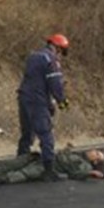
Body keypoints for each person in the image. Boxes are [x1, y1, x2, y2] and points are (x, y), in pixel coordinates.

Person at [17, 34, 71, 182]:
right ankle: (48, 170)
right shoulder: (51, 60)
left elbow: (35, 81)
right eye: (62, 51)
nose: (61, 55)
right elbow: (55, 84)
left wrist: (49, 103)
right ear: (58, 48)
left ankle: (19, 162)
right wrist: (62, 102)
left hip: (23, 97)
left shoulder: (33, 56)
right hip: (37, 101)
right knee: (45, 134)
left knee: (27, 133)